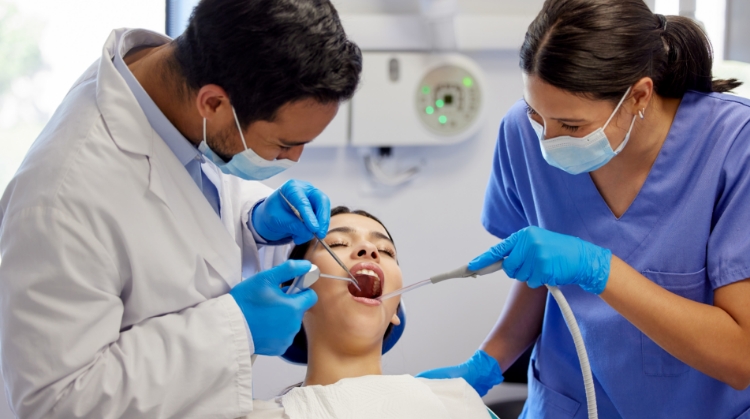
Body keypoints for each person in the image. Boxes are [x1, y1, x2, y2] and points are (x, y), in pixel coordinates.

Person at [0, 0, 361, 417]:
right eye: (284, 144)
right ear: (212, 105)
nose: (294, 160)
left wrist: (255, 220)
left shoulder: (193, 83)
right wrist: (235, 329)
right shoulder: (59, 202)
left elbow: (187, 198)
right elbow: (55, 404)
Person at [418, 1, 750, 418]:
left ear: (639, 95)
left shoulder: (735, 147)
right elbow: (545, 272)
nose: (547, 141)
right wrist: (486, 365)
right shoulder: (522, 132)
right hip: (567, 402)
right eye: (537, 115)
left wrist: (600, 269)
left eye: (572, 127)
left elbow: (742, 357)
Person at [243, 206, 494, 419]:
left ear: (396, 309)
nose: (369, 249)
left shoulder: (458, 405)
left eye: (385, 251)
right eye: (337, 243)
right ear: (295, 294)